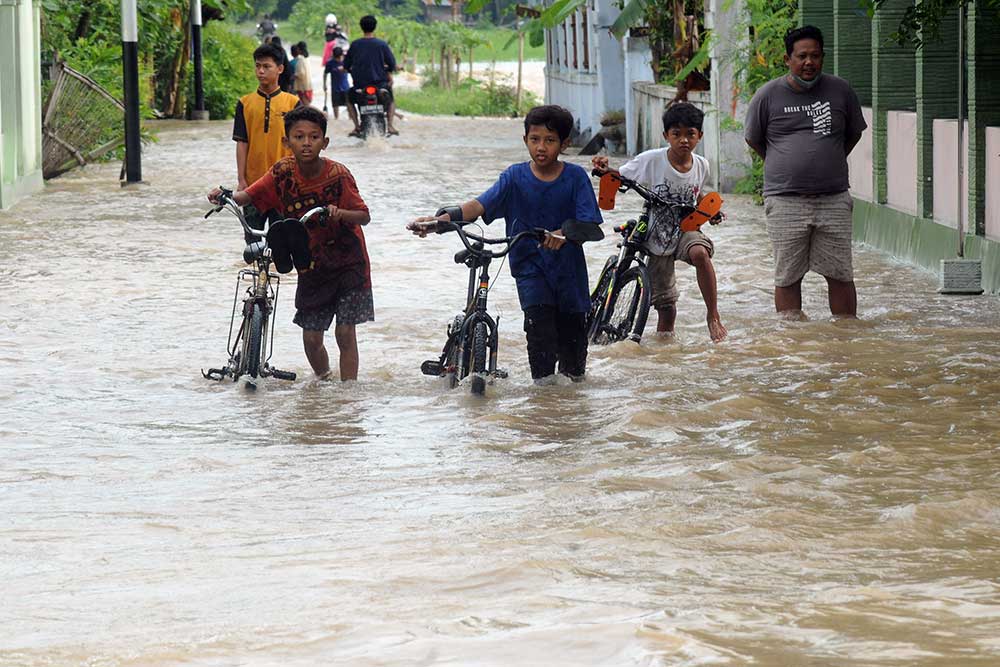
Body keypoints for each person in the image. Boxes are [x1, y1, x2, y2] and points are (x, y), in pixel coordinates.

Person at [408, 105, 603, 384]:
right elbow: (479, 204)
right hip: (530, 270)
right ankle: (544, 404)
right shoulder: (514, 178)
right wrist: (439, 222)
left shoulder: (575, 178)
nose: (541, 147)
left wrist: (563, 233)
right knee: (540, 338)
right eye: (535, 139)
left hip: (570, 277)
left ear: (565, 143)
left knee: (573, 359)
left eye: (550, 140)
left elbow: (591, 227)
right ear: (525, 140)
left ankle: (568, 413)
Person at [209, 106, 374, 382]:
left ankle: (348, 400)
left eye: (314, 137)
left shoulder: (340, 175)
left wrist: (339, 213)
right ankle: (324, 381)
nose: (306, 143)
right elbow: (250, 195)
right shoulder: (282, 172)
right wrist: (225, 195)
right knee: (311, 338)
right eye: (299, 137)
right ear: (287, 142)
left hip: (349, 263)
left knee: (345, 333)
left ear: (325, 142)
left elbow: (364, 216)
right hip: (310, 263)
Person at [744, 25, 867, 319]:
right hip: (785, 201)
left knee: (840, 272)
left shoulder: (841, 90)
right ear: (788, 59)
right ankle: (792, 346)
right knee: (787, 275)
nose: (808, 62)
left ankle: (846, 336)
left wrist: (828, 161)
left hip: (834, 199)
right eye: (801, 56)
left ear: (823, 57)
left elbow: (853, 134)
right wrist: (783, 164)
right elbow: (754, 139)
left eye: (815, 56)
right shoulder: (767, 95)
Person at [592, 102, 727, 342]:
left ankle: (713, 314)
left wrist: (712, 211)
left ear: (700, 136)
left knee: (700, 253)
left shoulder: (702, 165)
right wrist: (605, 170)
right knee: (665, 305)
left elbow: (698, 195)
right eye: (676, 134)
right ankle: (665, 346)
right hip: (656, 233)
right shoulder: (651, 160)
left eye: (690, 134)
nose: (683, 140)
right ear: (666, 136)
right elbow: (622, 176)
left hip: (686, 227)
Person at [232, 42, 301, 237]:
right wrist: (241, 179)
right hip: (253, 185)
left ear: (280, 69)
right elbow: (242, 142)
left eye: (266, 66)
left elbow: (300, 144)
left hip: (285, 185)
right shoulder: (245, 104)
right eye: (257, 66)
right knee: (253, 243)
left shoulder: (293, 103)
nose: (260, 71)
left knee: (283, 244)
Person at [344, 15, 399, 136]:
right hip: (380, 84)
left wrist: (351, 71)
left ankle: (357, 126)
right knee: (390, 100)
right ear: (375, 27)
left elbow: (346, 64)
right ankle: (390, 125)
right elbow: (392, 64)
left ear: (361, 27)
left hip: (360, 86)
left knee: (349, 99)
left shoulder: (355, 45)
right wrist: (388, 70)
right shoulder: (382, 44)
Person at [324, 46, 351, 120]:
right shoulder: (330, 63)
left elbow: (352, 70)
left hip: (345, 87)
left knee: (349, 104)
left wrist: (345, 69)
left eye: (339, 58)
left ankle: (350, 118)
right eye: (336, 58)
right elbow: (325, 74)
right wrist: (324, 85)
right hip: (335, 87)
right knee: (335, 104)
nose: (338, 60)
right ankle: (336, 118)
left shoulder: (346, 61)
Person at [293, 41, 313, 106]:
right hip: (308, 85)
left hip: (303, 87)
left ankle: (322, 114)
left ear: (299, 49)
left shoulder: (301, 59)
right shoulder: (307, 59)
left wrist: (294, 76)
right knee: (306, 105)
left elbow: (301, 73)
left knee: (306, 105)